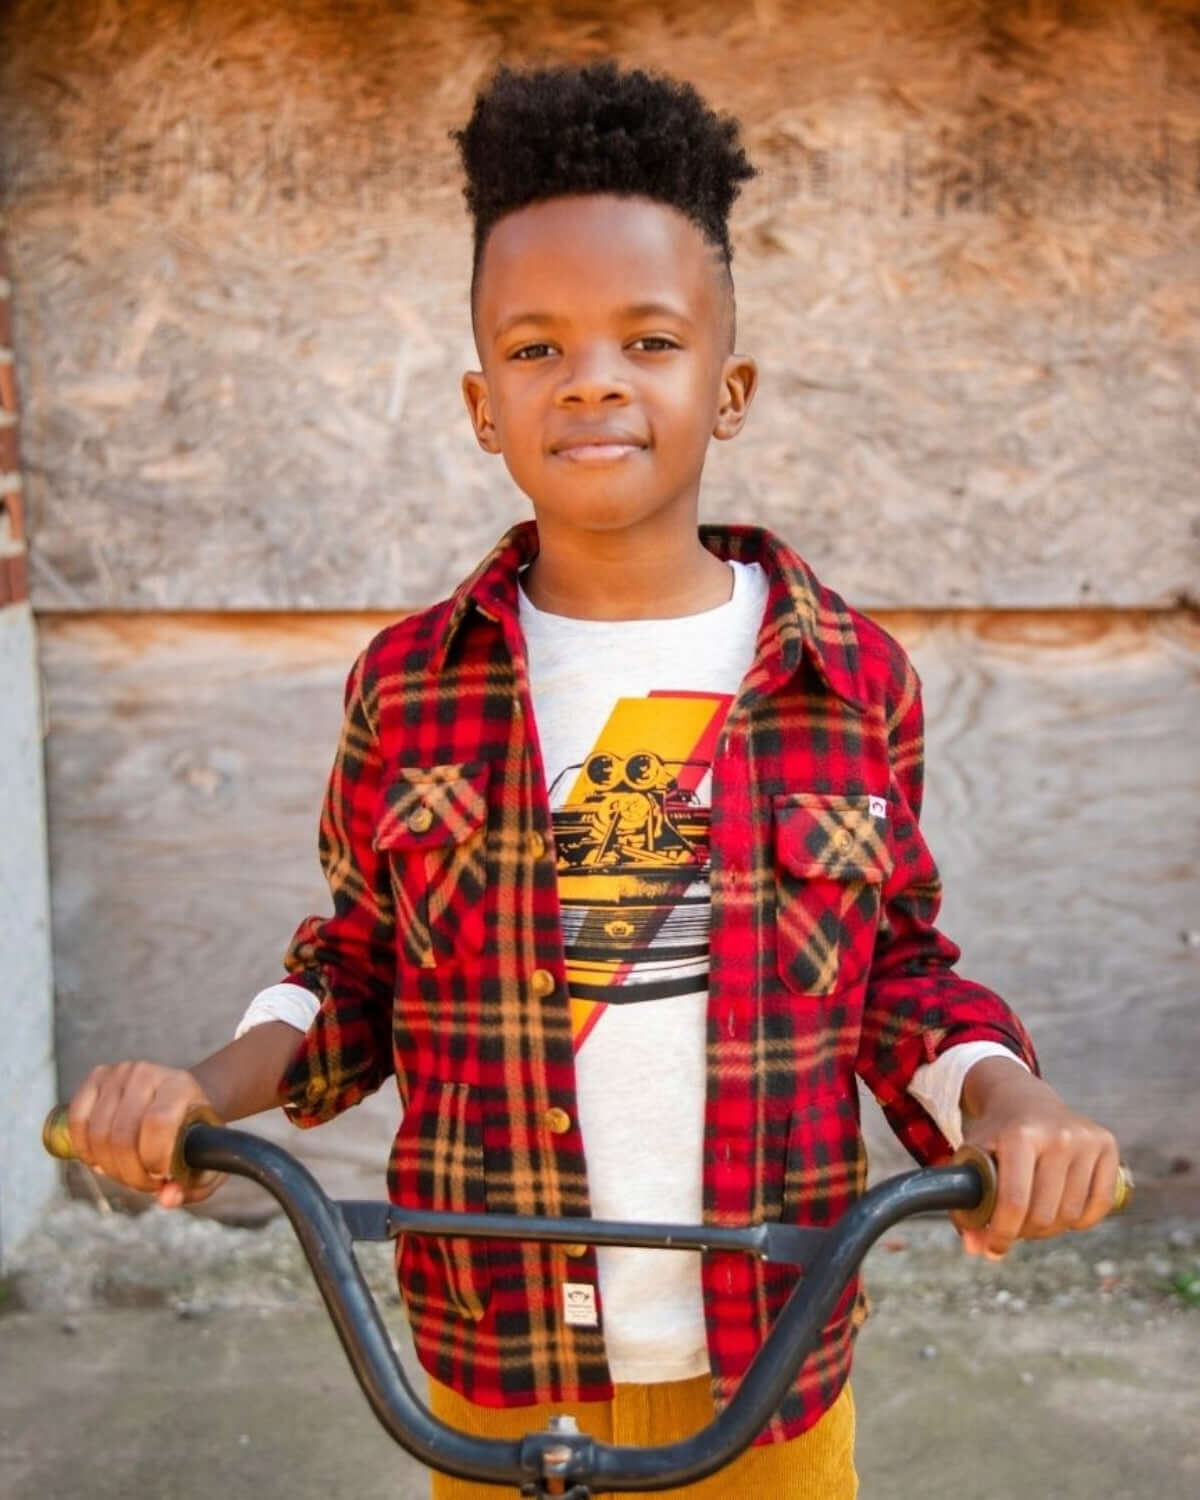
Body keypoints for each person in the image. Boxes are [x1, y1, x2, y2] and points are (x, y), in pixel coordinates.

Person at [65, 62, 1121, 1498]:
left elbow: (896, 970)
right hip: (490, 1380)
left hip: (773, 1375)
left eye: (650, 339)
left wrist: (1004, 1097)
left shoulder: (847, 676)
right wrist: (193, 1089)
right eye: (537, 348)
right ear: (480, 401)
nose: (596, 379)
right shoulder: (412, 684)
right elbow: (353, 967)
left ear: (729, 387)